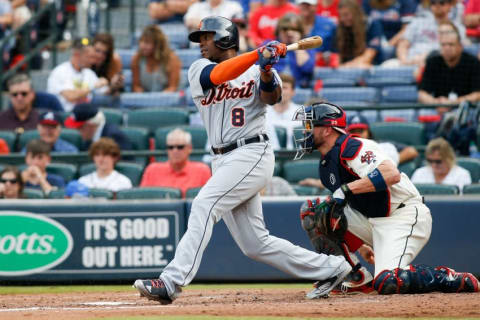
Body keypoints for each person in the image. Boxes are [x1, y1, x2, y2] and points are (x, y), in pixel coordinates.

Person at [133, 16, 352, 304]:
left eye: (207, 37)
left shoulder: (257, 70)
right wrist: (257, 55)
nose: (201, 43)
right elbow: (218, 76)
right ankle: (334, 268)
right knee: (255, 244)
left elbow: (272, 97)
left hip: (251, 153)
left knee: (203, 204)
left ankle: (171, 281)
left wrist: (265, 69)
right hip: (222, 159)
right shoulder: (200, 68)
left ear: (224, 37)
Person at [292, 101, 479, 295]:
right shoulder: (326, 165)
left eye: (310, 125)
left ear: (327, 130)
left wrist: (344, 191)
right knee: (315, 210)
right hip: (372, 219)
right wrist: (360, 246)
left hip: (403, 215)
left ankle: (446, 277)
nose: (305, 131)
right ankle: (354, 276)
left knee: (388, 281)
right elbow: (343, 211)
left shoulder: (354, 146)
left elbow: (391, 174)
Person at [418, 22, 480, 105]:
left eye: (451, 45)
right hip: (438, 108)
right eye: (443, 45)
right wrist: (436, 102)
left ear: (460, 46)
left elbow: (477, 94)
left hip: (465, 109)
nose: (447, 48)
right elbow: (422, 94)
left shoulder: (472, 62)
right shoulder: (432, 62)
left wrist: (454, 102)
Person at [392, 0, 466, 68]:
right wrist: (404, 60)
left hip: (438, 65)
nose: (437, 5)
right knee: (388, 67)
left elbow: (455, 52)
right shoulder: (417, 22)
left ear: (450, 5)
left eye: (442, 2)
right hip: (409, 62)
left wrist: (426, 58)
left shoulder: (457, 28)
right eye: (433, 2)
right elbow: (403, 44)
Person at [140, 128, 211, 197]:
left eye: (180, 147)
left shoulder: (202, 171)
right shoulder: (152, 170)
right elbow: (142, 199)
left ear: (189, 148)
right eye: (170, 147)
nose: (175, 151)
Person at [47, 38, 109, 112]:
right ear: (76, 55)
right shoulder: (60, 71)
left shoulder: (89, 73)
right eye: (89, 57)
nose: (93, 61)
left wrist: (114, 86)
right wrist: (94, 86)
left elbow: (104, 91)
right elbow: (71, 96)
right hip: (64, 115)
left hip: (85, 114)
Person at [131, 25, 181, 93]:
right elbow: (136, 86)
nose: (142, 46)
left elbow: (172, 87)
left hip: (168, 99)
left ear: (157, 45)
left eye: (147, 42)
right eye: (141, 41)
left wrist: (157, 100)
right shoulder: (136, 58)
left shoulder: (172, 59)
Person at [334, 0, 384, 68]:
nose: (343, 19)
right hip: (346, 71)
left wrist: (346, 66)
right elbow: (336, 58)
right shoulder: (340, 29)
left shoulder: (372, 25)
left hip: (371, 68)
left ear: (355, 13)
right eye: (341, 15)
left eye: (346, 15)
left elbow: (369, 55)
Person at [64, 103, 132, 151]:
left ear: (90, 124)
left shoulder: (114, 136)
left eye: (80, 128)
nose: (78, 132)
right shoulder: (88, 140)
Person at [273, 13, 315, 88]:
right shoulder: (270, 45)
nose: (289, 33)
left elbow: (307, 68)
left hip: (297, 87)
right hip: (273, 86)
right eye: (285, 29)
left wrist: (297, 43)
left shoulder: (306, 47)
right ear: (279, 30)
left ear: (300, 32)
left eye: (294, 29)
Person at [296, 0, 337, 66]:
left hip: (322, 67)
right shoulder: (292, 24)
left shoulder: (328, 25)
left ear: (316, 6)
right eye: (303, 4)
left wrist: (328, 56)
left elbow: (335, 51)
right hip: (298, 66)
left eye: (309, 5)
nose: (306, 7)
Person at [266, 73, 300, 150]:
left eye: (284, 88)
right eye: (278, 87)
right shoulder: (263, 112)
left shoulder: (301, 112)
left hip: (294, 157)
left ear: (293, 92)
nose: (281, 91)